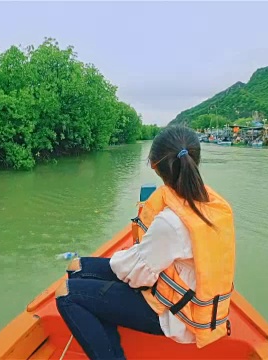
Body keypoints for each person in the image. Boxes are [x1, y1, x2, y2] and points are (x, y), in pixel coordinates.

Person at [54, 125, 236, 359]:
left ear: (154, 165)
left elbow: (137, 278)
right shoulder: (213, 204)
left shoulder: (172, 222)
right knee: (76, 267)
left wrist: (127, 257)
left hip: (177, 317)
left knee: (66, 293)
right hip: (194, 297)